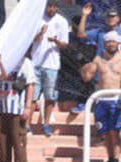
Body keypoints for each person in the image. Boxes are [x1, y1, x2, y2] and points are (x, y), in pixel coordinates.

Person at [81, 31, 121, 162]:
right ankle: (110, 159)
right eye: (108, 42)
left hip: (116, 99)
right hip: (101, 99)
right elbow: (87, 77)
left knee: (114, 132)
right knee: (105, 133)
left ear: (118, 43)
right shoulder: (98, 58)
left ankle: (115, 161)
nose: (111, 44)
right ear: (104, 44)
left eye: (113, 41)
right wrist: (85, 69)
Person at [0, 51, 36, 162]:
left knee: (18, 139)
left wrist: (28, 106)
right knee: (2, 140)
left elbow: (30, 84)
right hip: (1, 106)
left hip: (17, 107)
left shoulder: (25, 62)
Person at [31, 0, 69, 137]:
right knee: (32, 97)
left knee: (49, 96)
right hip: (35, 63)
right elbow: (30, 39)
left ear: (57, 7)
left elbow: (65, 44)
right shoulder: (37, 18)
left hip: (51, 65)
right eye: (49, 6)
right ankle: (28, 125)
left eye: (54, 6)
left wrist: (56, 41)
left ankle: (46, 124)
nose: (51, 9)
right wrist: (41, 34)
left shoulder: (62, 21)